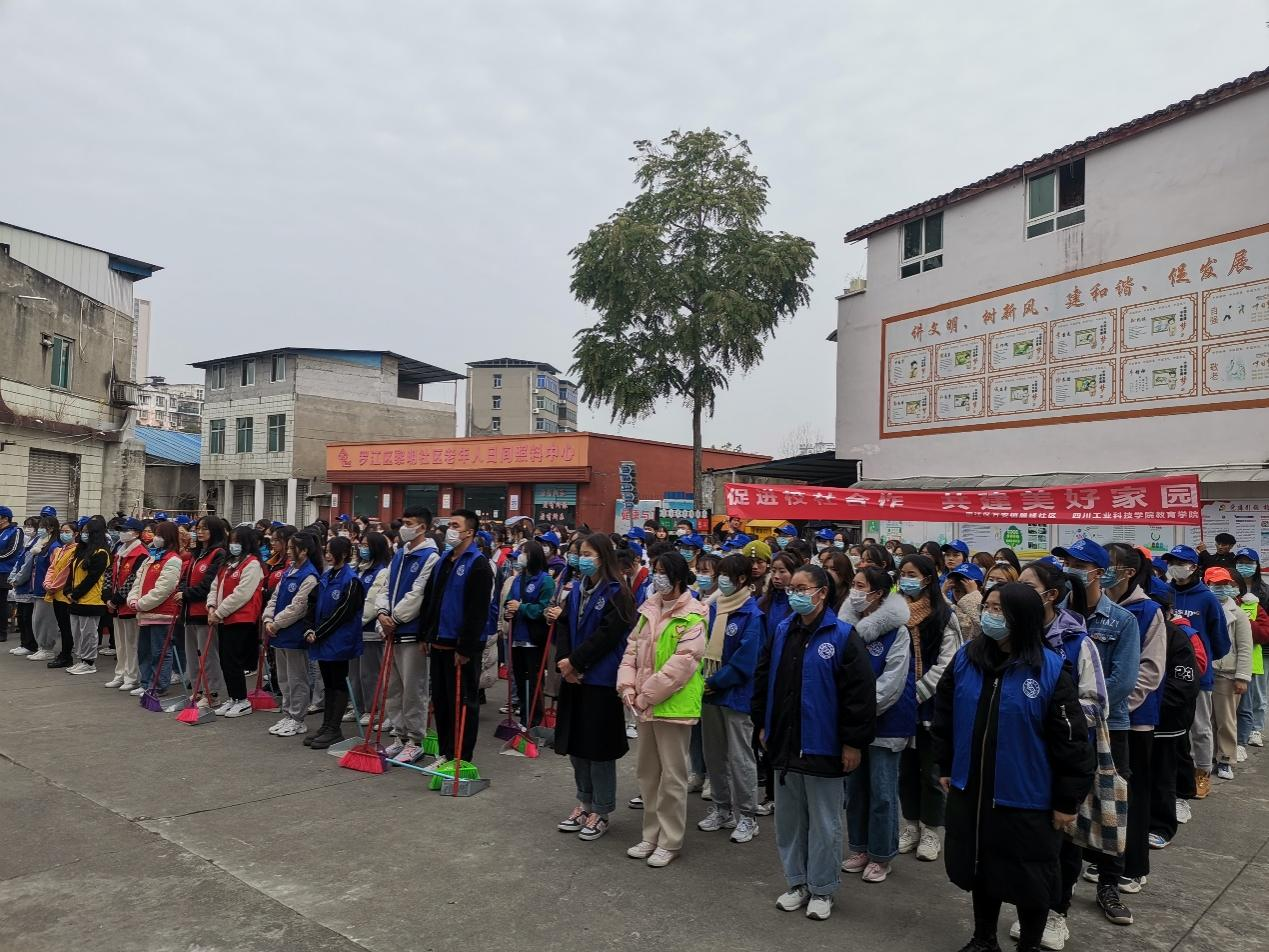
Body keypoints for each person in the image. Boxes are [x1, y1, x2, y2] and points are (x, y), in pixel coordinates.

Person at [932, 583, 1093, 952]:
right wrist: (945, 763)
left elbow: (1071, 742)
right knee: (981, 867)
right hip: (974, 789)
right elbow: (944, 714)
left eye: (998, 609)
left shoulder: (1049, 669)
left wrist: (1067, 800)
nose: (989, 615)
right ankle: (984, 938)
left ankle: (1029, 945)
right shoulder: (967, 658)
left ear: (1022, 617)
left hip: (1027, 797)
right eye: (987, 607)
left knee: (1030, 877)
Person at [752, 563, 876, 920]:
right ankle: (797, 882)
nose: (795, 594)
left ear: (822, 593)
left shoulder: (842, 635)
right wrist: (763, 724)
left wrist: (852, 743)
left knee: (824, 822)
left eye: (802, 589)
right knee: (790, 821)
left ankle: (823, 889)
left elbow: (859, 696)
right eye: (792, 588)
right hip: (785, 743)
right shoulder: (782, 630)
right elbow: (764, 679)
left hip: (824, 745)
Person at [1050, 537, 1140, 924]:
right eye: (1066, 563)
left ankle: (1108, 884)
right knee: (1067, 806)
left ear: (1099, 572)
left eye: (1078, 564)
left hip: (1107, 727)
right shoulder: (1054, 615)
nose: (1069, 569)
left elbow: (1122, 680)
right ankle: (1060, 891)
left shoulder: (1121, 620)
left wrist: (1076, 712)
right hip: (1061, 729)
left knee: (1108, 806)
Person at [617, 551, 706, 869]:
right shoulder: (649, 608)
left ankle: (670, 840)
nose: (657, 577)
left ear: (678, 577)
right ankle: (650, 835)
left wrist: (645, 695)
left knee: (672, 777)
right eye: (655, 570)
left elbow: (682, 665)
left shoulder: (694, 615)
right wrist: (627, 686)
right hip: (644, 705)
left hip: (673, 707)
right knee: (648, 773)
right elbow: (631, 650)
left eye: (663, 572)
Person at [547, 532, 635, 842]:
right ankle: (584, 802)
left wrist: (576, 663)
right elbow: (563, 627)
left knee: (599, 749)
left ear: (602, 557)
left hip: (600, 679)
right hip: (574, 677)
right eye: (578, 553)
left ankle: (601, 809)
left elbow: (607, 637)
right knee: (577, 745)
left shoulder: (617, 593)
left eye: (587, 554)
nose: (581, 559)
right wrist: (565, 663)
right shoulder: (576, 590)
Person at [839, 564, 913, 883]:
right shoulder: (845, 627)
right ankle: (860, 847)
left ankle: (882, 855)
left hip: (886, 723)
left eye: (861, 586)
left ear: (878, 594)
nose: (854, 591)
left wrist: (860, 711)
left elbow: (892, 682)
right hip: (852, 722)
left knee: (882, 792)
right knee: (855, 790)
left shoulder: (898, 632)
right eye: (853, 584)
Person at [1102, 543, 1166, 895]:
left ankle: (1134, 865)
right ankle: (1104, 859)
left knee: (1133, 794)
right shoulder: (1093, 607)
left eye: (1109, 565)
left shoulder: (1148, 611)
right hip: (1099, 717)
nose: (1102, 571)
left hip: (1134, 718)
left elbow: (1150, 671)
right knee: (1104, 793)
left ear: (1128, 572)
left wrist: (1119, 705)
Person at [895, 554, 962, 863]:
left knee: (932, 771)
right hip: (899, 702)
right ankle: (910, 825)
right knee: (906, 770)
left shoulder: (944, 615)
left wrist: (918, 692)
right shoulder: (893, 611)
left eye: (912, 574)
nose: (906, 579)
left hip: (931, 705)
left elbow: (948, 662)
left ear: (927, 578)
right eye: (903, 573)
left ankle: (931, 829)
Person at [697, 552, 764, 845]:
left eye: (726, 575)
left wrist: (714, 682)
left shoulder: (752, 615)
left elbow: (745, 661)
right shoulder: (713, 608)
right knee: (714, 755)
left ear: (742, 579)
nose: (721, 580)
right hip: (710, 695)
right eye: (719, 574)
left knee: (740, 758)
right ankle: (722, 809)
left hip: (736, 696)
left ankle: (747, 815)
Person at [420, 509, 496, 765]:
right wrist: (425, 634)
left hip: (461, 648)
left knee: (462, 703)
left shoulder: (478, 564)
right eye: (449, 524)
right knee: (441, 702)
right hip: (438, 641)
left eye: (455, 525)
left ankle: (461, 758)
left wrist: (465, 648)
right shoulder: (444, 560)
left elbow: (478, 611)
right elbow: (431, 599)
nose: (450, 530)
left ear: (469, 532)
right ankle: (446, 752)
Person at [375, 506, 441, 763]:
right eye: (403, 522)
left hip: (412, 632)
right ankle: (399, 735)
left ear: (422, 527)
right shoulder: (400, 553)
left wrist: (395, 618)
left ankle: (415, 739)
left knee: (414, 688)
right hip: (391, 630)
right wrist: (382, 612)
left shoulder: (431, 557)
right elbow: (386, 586)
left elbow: (418, 594)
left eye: (410, 523)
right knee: (393, 688)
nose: (404, 528)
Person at [1164, 544, 1230, 800]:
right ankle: (1175, 774)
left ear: (1193, 567)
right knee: (1172, 728)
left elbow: (1220, 640)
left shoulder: (1207, 599)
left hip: (1199, 675)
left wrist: (1205, 658)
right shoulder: (1164, 593)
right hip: (1168, 675)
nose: (1175, 567)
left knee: (1200, 728)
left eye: (1180, 563)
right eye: (1171, 562)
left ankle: (1202, 772)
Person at [302, 536, 365, 749]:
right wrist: (309, 628)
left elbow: (343, 613)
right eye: (326, 551)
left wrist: (318, 632)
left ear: (344, 554)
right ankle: (326, 725)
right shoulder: (326, 576)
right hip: (322, 639)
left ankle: (334, 729)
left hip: (339, 641)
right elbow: (312, 603)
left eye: (331, 552)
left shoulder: (351, 580)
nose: (327, 555)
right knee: (328, 682)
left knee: (337, 682)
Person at [1148, 605, 1203, 849]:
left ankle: (1162, 826)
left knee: (1163, 775)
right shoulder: (1133, 630)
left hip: (1168, 723)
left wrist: (1149, 705)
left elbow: (1185, 683)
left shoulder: (1177, 636)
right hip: (1135, 721)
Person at [262, 531, 322, 737]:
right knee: (284, 678)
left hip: (294, 634)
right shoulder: (289, 570)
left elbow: (298, 607)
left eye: (290, 548)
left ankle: (298, 718)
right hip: (279, 634)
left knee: (297, 679)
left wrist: (276, 623)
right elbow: (275, 597)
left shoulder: (310, 576)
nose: (287, 551)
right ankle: (287, 713)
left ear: (303, 551)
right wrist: (268, 618)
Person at [206, 524, 265, 718]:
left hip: (241, 618)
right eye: (231, 541)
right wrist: (211, 606)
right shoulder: (228, 563)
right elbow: (215, 585)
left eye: (237, 542)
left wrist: (219, 612)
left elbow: (242, 594)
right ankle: (233, 697)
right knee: (225, 660)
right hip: (223, 618)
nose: (233, 545)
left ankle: (242, 699)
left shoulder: (252, 564)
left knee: (233, 661)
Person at [1205, 566, 1252, 780]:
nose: (1221, 588)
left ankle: (1225, 759)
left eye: (1225, 584)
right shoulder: (1205, 609)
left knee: (1226, 720)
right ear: (1207, 585)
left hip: (1227, 674)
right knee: (1205, 720)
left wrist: (1242, 677)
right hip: (1205, 672)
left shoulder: (1238, 614)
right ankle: (1208, 757)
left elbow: (1245, 648)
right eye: (1216, 584)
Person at [127, 521, 184, 696]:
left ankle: (158, 686)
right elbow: (138, 581)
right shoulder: (151, 557)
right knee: (144, 651)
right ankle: (146, 683)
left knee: (160, 652)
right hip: (145, 612)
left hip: (162, 613)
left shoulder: (173, 559)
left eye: (159, 535)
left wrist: (141, 603)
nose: (155, 538)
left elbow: (164, 589)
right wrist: (133, 599)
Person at [505, 539, 556, 729]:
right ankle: (523, 717)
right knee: (519, 679)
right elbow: (509, 600)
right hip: (516, 636)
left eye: (525, 552)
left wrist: (521, 607)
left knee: (534, 681)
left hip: (534, 638)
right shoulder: (518, 578)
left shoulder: (545, 580)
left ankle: (534, 719)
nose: (521, 556)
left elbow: (544, 609)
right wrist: (508, 610)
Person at [182, 517, 229, 706]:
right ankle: (198, 690)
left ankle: (213, 693)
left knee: (208, 655)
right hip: (189, 612)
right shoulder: (197, 554)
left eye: (204, 529)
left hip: (204, 612)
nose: (199, 532)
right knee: (192, 655)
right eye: (198, 528)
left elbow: (209, 583)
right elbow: (185, 579)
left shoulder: (219, 553)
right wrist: (182, 591)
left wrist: (187, 594)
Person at [353, 531, 392, 723]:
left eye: (366, 545)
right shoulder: (358, 569)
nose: (362, 548)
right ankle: (358, 706)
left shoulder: (381, 571)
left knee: (370, 673)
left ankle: (374, 709)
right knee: (355, 674)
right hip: (352, 630)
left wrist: (357, 622)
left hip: (368, 630)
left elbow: (372, 602)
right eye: (361, 544)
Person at [104, 518, 148, 691]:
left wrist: (116, 599)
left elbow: (133, 580)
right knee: (120, 643)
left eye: (125, 530)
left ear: (136, 533)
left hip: (128, 604)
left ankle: (132, 676)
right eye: (121, 530)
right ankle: (120, 673)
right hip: (115, 605)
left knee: (132, 643)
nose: (122, 533)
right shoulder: (119, 551)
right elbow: (109, 573)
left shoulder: (141, 553)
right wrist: (107, 596)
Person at [65, 515, 112, 675]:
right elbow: (72, 573)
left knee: (88, 633)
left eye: (87, 532)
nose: (83, 534)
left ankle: (89, 661)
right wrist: (68, 591)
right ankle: (81, 659)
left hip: (91, 600)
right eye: (82, 531)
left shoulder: (101, 553)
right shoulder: (82, 550)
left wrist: (76, 594)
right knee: (77, 632)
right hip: (75, 599)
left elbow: (92, 578)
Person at [1234, 547, 1268, 752]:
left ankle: (1256, 728)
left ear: (1256, 566)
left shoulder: (1264, 591)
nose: (1244, 566)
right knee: (1242, 694)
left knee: (1258, 692)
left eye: (1248, 563)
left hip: (1261, 649)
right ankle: (1241, 729)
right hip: (1235, 650)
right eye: (1240, 562)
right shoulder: (1232, 588)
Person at [26, 516, 63, 663]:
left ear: (51, 528)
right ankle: (42, 647)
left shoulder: (54, 547)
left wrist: (49, 586)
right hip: (37, 588)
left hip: (46, 590)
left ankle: (47, 648)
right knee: (37, 620)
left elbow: (55, 569)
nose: (40, 530)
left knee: (46, 620)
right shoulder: (42, 544)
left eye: (43, 527)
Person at [43, 522, 78, 668]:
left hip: (65, 594)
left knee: (66, 627)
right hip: (56, 594)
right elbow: (52, 568)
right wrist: (47, 583)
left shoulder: (76, 550)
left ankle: (66, 655)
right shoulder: (59, 550)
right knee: (62, 625)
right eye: (62, 531)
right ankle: (64, 654)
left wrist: (53, 586)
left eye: (67, 531)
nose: (64, 534)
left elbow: (66, 573)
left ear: (75, 534)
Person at [0, 505, 24, 642]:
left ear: (5, 519)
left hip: (4, 571)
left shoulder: (15, 531)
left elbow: (12, 551)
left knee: (1, 602)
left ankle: (2, 632)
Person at [947, 562, 984, 640]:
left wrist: (973, 595)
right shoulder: (950, 607)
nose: (960, 595)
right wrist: (942, 594)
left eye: (965, 590)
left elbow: (980, 625)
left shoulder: (985, 609)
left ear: (979, 590)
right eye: (957, 590)